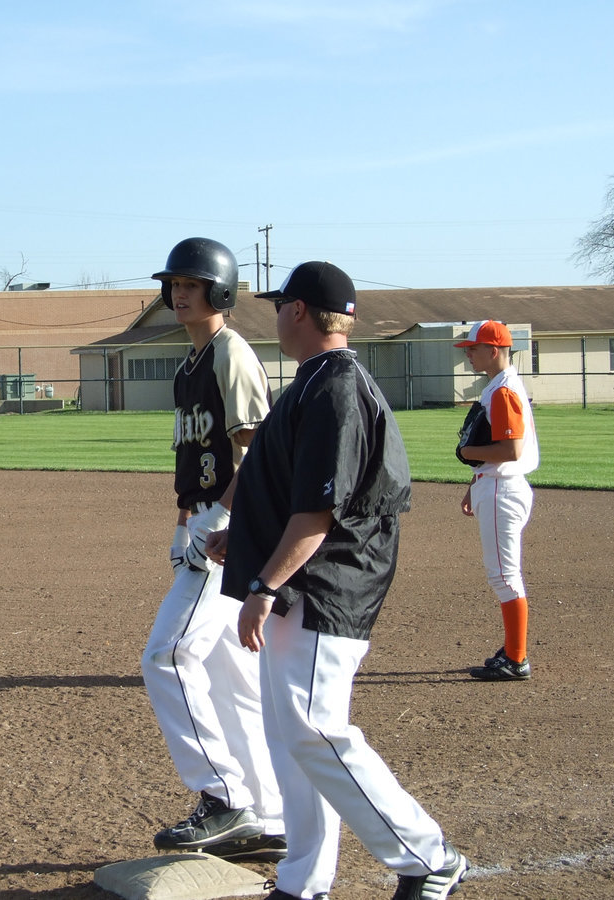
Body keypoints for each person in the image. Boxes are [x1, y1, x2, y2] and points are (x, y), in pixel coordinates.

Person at [207, 261, 469, 900]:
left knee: (311, 727)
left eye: (279, 306)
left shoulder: (336, 389)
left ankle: (428, 856)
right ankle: (303, 882)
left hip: (324, 584)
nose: (273, 317)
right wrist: (234, 532)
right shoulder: (314, 382)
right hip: (308, 581)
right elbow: (278, 474)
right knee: (291, 735)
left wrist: (264, 586)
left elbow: (320, 510)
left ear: (298, 311)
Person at [141, 237, 284, 859]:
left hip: (230, 529)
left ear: (219, 292)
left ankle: (224, 797)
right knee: (231, 677)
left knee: (167, 657)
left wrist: (220, 516)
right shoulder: (188, 365)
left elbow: (253, 450)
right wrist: (182, 522)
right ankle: (269, 815)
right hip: (206, 521)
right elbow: (193, 460)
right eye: (173, 284)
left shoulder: (231, 354)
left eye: (191, 285)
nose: (178, 293)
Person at [454, 320, 540, 681]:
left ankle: (517, 659)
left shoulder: (503, 390)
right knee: (504, 574)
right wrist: (474, 481)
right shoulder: (499, 386)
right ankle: (512, 649)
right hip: (496, 485)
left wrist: (464, 452)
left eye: (473, 349)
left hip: (503, 490)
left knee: (504, 575)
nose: (468, 355)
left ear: (493, 350)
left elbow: (510, 449)